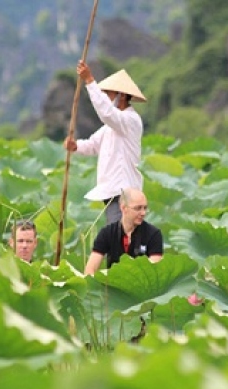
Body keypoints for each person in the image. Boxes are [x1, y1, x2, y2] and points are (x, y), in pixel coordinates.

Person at [63, 60, 147, 224]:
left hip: (124, 191)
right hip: (112, 190)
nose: (106, 98)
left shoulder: (130, 120)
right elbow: (92, 145)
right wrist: (75, 146)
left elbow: (106, 113)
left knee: (120, 236)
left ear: (121, 96)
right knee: (118, 236)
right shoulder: (111, 127)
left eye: (108, 94)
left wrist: (89, 81)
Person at [84, 188, 163, 275]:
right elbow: (90, 270)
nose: (143, 213)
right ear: (124, 208)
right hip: (113, 284)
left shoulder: (154, 234)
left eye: (145, 208)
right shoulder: (107, 233)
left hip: (142, 285)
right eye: (138, 208)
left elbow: (155, 271)